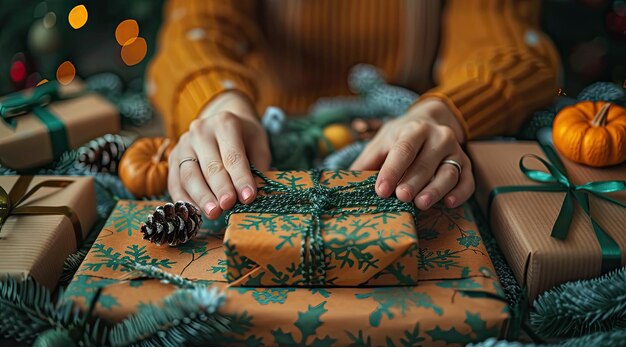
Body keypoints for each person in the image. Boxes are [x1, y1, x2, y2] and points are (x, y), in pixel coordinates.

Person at [147, 0, 560, 220]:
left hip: (411, 146)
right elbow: (196, 30)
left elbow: (510, 48)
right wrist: (218, 101)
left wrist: (442, 113)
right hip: (266, 135)